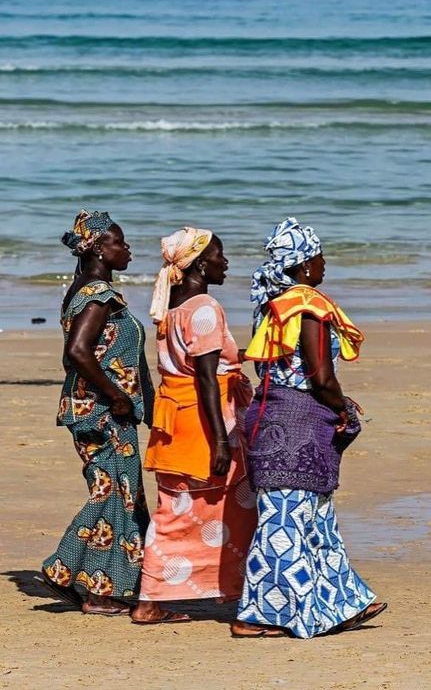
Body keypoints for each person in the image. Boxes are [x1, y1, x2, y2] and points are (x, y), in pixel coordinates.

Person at [232, 217, 387, 639]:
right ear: (303, 266)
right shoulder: (309, 306)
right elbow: (320, 375)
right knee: (284, 524)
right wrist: (342, 406)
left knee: (314, 518)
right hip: (298, 422)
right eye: (319, 257)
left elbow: (281, 368)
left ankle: (344, 602)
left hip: (270, 417)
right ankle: (255, 616)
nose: (323, 265)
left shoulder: (270, 306)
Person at [131, 227, 257, 624]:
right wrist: (220, 439)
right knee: (226, 506)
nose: (225, 261)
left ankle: (177, 592)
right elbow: (205, 376)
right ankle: (153, 598)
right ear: (201, 263)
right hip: (204, 422)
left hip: (176, 422)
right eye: (219, 254)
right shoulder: (204, 307)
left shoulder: (172, 309)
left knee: (178, 508)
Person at [41, 209, 154, 615]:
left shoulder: (82, 290)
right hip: (102, 412)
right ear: (100, 250)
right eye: (120, 243)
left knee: (119, 493)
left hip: (92, 408)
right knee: (112, 492)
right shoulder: (98, 295)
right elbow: (78, 352)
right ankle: (64, 570)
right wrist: (118, 397)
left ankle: (103, 587)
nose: (128, 250)